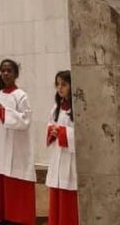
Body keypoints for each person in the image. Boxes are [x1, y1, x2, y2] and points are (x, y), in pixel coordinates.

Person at [0, 58, 35, 225]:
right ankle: (1, 216)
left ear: (16, 74)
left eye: (9, 71)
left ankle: (17, 218)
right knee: (1, 179)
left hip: (16, 147)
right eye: (3, 70)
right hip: (0, 147)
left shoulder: (21, 96)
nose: (5, 73)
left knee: (15, 180)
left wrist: (4, 113)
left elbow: (26, 120)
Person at [45, 70, 78, 225]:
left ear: (72, 85)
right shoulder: (56, 108)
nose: (60, 88)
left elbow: (81, 135)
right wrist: (52, 131)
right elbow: (50, 124)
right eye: (57, 84)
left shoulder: (76, 109)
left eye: (64, 84)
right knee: (56, 197)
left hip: (69, 159)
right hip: (57, 156)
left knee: (67, 200)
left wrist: (63, 132)